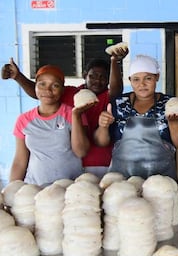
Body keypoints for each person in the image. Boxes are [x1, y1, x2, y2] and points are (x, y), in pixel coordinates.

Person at [2, 48, 126, 178]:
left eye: (103, 77)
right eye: (92, 76)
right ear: (85, 76)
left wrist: (114, 61)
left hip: (100, 160)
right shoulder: (72, 93)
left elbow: (116, 89)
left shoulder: (107, 97)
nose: (97, 80)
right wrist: (17, 76)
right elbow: (43, 92)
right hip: (72, 165)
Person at [94, 54, 178, 181]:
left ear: (157, 77)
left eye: (148, 78)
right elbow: (101, 142)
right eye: (136, 79)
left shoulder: (171, 104)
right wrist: (103, 126)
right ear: (130, 80)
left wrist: (173, 123)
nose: (142, 84)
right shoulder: (118, 104)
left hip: (161, 180)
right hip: (122, 180)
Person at [9, 65, 90, 186]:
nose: (48, 90)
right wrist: (11, 190)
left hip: (69, 189)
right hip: (35, 188)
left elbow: (81, 152)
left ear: (63, 89)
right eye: (42, 84)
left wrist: (76, 116)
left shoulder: (74, 113)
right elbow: (20, 161)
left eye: (55, 85)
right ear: (35, 87)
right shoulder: (24, 120)